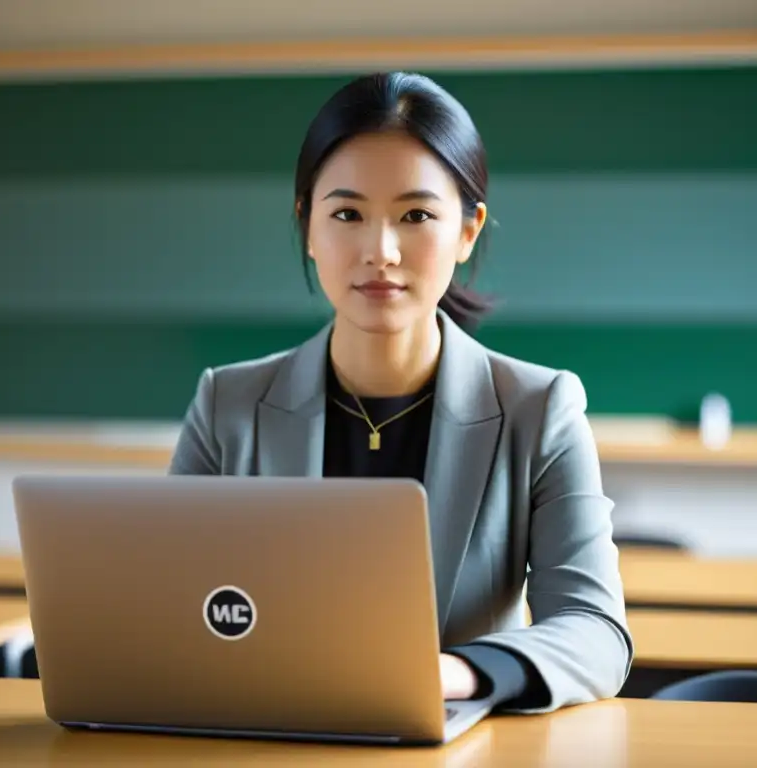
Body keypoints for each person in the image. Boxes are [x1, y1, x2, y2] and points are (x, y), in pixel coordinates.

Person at [169, 71, 633, 714]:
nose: (380, 250)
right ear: (307, 224)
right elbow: (166, 609)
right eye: (347, 214)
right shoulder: (227, 405)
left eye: (415, 215)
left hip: (458, 745)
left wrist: (454, 674)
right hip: (268, 737)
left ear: (468, 230)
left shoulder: (541, 409)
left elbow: (597, 632)